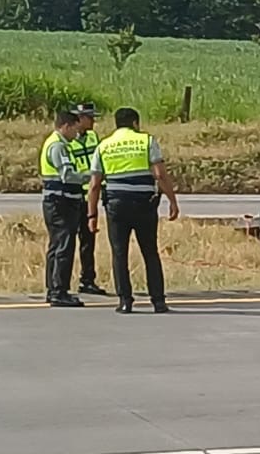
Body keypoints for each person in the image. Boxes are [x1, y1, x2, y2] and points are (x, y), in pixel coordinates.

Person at [87, 107, 180, 314]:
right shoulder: (146, 141)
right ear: (136, 124)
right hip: (144, 204)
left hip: (116, 205)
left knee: (119, 253)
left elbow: (94, 185)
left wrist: (91, 215)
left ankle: (125, 301)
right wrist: (172, 201)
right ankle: (158, 301)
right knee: (150, 252)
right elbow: (160, 174)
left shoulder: (104, 146)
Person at [40, 110, 88, 308]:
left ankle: (54, 288)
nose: (77, 134)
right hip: (61, 202)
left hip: (57, 201)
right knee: (63, 245)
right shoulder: (58, 146)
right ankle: (59, 291)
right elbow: (67, 175)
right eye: (75, 129)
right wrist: (90, 176)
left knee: (57, 244)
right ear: (66, 126)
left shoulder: (54, 143)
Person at [67, 102, 109, 296]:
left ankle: (87, 279)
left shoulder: (93, 137)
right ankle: (62, 283)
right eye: (89, 117)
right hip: (75, 194)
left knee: (88, 240)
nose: (93, 121)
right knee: (68, 241)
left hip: (89, 195)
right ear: (79, 119)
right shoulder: (67, 139)